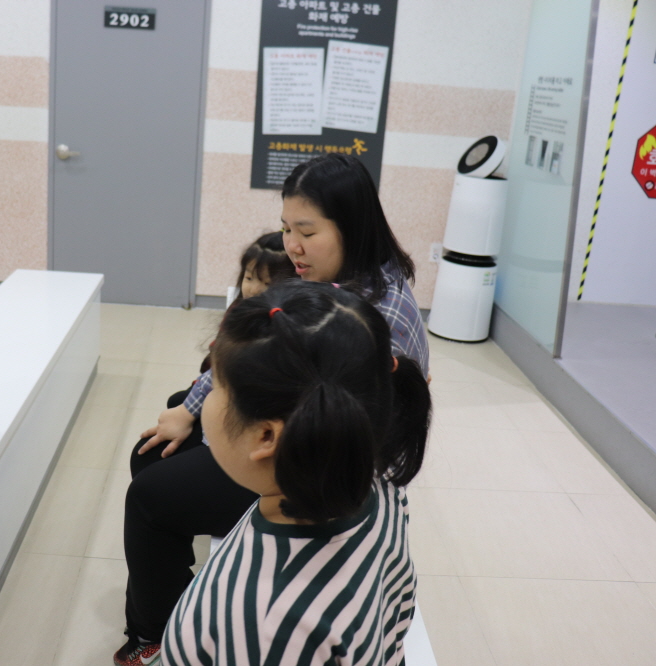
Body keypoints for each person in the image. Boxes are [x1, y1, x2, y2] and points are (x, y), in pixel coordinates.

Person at [115, 155, 429, 665]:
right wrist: (193, 406)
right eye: (286, 228)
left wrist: (201, 403)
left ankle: (152, 629)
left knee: (150, 491)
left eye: (306, 231)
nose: (291, 246)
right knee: (160, 443)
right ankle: (164, 590)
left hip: (320, 468)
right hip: (311, 443)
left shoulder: (371, 312)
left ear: (352, 226)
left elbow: (281, 382)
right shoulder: (356, 281)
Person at [161, 280, 430, 664]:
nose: (206, 400)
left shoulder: (264, 625)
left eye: (216, 387)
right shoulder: (374, 480)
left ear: (266, 435)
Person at [132, 231, 297, 480]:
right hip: (222, 396)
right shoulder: (242, 310)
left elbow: (225, 378)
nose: (254, 289)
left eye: (267, 283)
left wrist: (188, 411)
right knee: (174, 405)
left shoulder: (274, 329)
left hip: (240, 422)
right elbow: (216, 371)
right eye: (249, 277)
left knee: (149, 475)